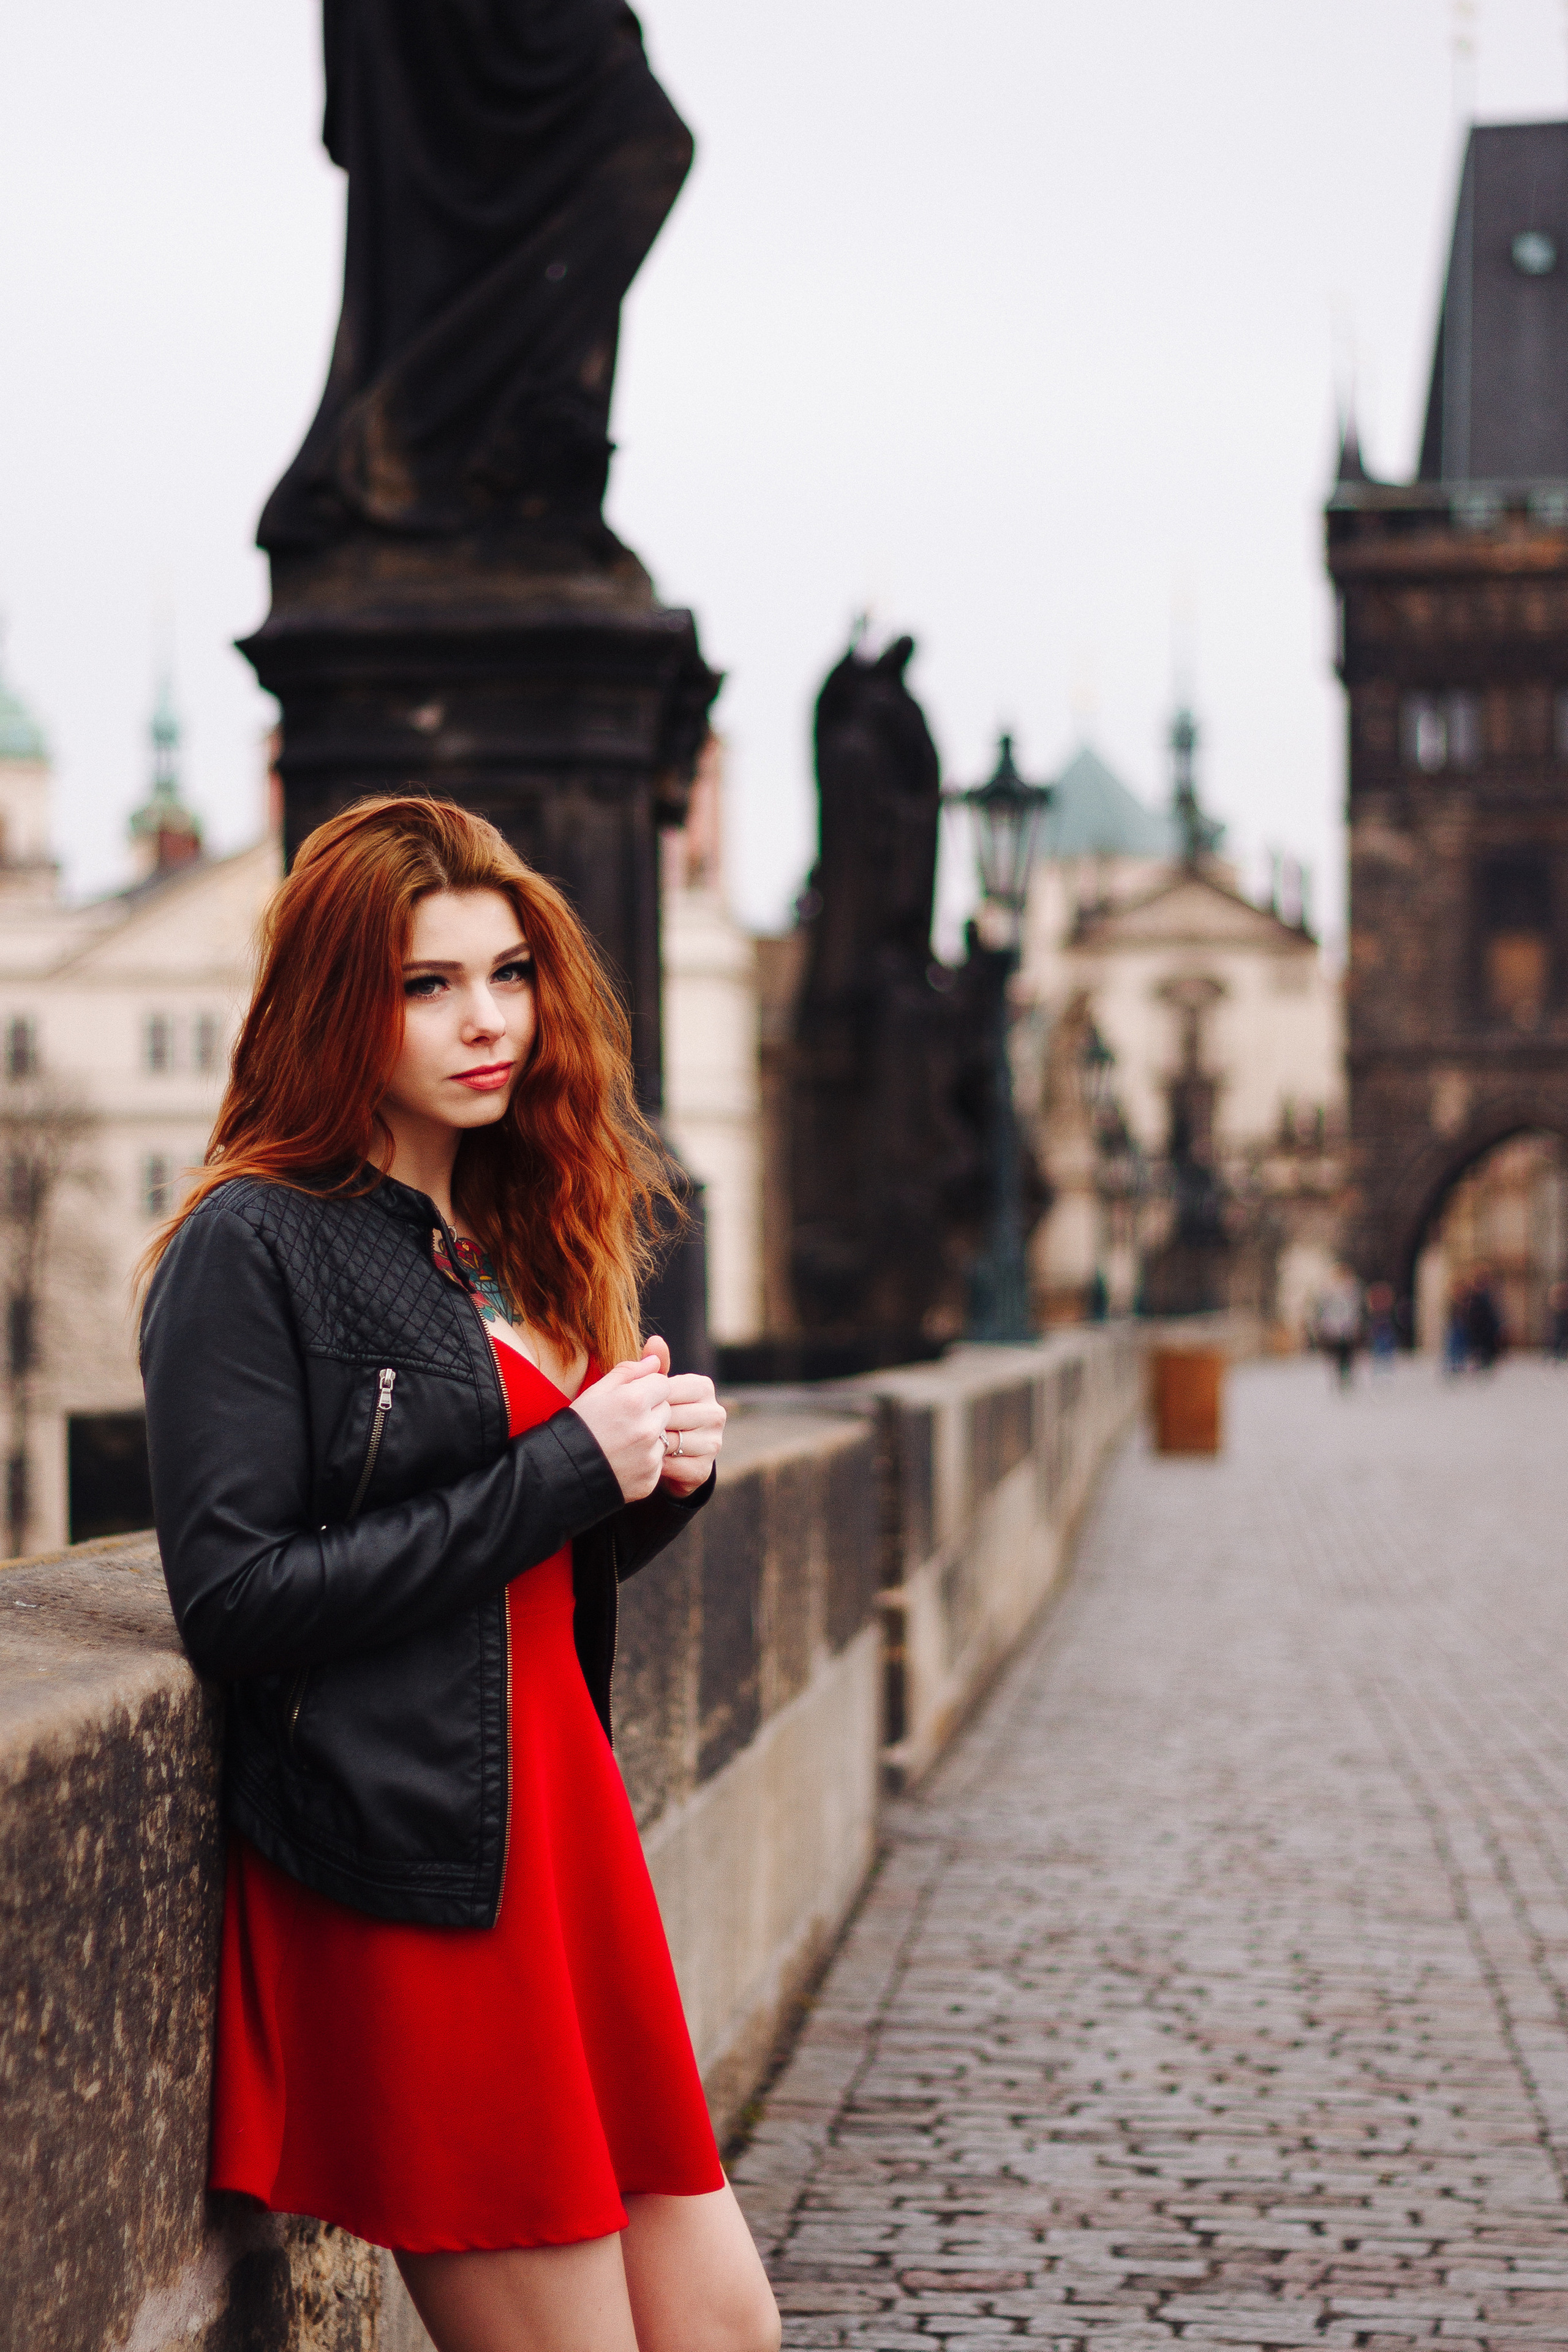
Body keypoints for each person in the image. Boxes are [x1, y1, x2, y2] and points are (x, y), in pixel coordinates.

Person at [138, 797, 780, 2352]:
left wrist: (647, 1482)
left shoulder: (497, 1225)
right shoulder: (253, 1240)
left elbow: (508, 1565)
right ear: (332, 1004)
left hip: (554, 1823)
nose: (485, 1020)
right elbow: (235, 1596)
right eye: (426, 984)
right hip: (415, 1861)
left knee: (722, 2326)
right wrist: (566, 1466)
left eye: (506, 974)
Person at [1314, 1267, 1363, 1390]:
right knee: (1337, 1354)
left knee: (1347, 1354)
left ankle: (1346, 1377)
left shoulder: (1352, 1289)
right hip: (1334, 1328)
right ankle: (1340, 1378)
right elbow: (1324, 1309)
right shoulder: (1329, 1290)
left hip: (1347, 1328)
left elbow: (1356, 1309)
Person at [1465, 1267, 1504, 1373]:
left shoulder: (1485, 1297)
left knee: (1486, 1358)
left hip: (1486, 1333)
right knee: (1481, 1356)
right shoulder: (1476, 1297)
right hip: (1480, 1332)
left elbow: (1493, 1315)